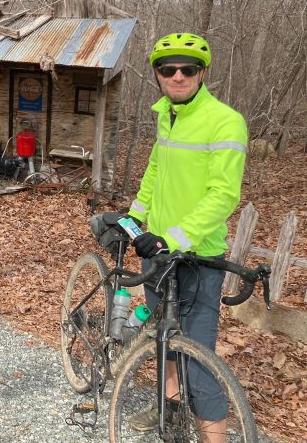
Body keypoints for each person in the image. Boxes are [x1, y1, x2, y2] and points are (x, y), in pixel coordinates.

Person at [126, 32, 247, 442]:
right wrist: (135, 217)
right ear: (157, 75)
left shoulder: (225, 120)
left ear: (202, 73)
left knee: (200, 363)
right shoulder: (167, 115)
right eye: (168, 69)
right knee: (165, 340)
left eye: (187, 69)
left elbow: (224, 195)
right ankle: (170, 411)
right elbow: (157, 172)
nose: (178, 76)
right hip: (158, 251)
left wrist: (173, 237)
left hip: (198, 257)